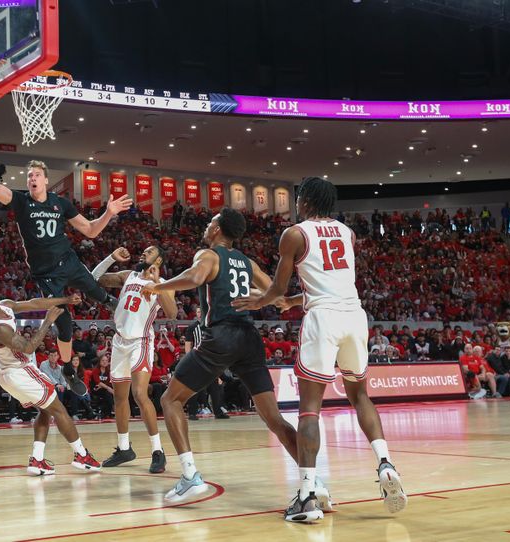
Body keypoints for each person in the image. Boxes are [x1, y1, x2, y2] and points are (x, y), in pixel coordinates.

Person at [233, 177, 406, 522]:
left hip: (323, 320)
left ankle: (307, 496)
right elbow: (331, 282)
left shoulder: (294, 234)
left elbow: (278, 287)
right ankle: (385, 462)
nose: (296, 204)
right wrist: (293, 300)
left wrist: (260, 303)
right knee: (360, 396)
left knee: (309, 409)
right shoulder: (348, 233)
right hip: (354, 316)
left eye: (298, 198)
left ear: (307, 200)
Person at [141, 208, 330, 508]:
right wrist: (288, 301)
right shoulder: (247, 261)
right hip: (250, 339)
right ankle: (314, 482)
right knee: (275, 419)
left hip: (222, 336)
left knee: (170, 400)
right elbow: (276, 294)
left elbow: (195, 277)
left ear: (217, 229)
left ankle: (190, 477)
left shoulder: (208, 255)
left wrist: (157, 286)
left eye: (209, 222)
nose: (206, 225)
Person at [0, 130, 132, 362]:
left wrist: (108, 213)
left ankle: (124, 315)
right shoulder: (20, 201)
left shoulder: (61, 203)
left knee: (98, 292)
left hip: (68, 261)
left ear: (46, 180)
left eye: (36, 175)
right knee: (64, 322)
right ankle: (68, 369)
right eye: (29, 176)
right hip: (45, 272)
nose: (32, 179)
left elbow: (91, 230)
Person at [0, 287, 101, 475]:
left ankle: (37, 460)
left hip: (16, 372)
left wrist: (64, 300)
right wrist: (47, 322)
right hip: (18, 372)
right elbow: (28, 347)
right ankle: (81, 455)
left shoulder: (5, 306)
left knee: (45, 410)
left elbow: (34, 303)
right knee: (59, 410)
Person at [91, 245, 177, 473]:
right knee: (119, 398)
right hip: (120, 342)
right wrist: (111, 256)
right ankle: (123, 448)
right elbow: (94, 278)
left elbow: (172, 313)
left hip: (141, 342)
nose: (143, 253)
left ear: (158, 262)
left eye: (149, 252)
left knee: (139, 394)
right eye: (144, 251)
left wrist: (158, 286)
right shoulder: (128, 276)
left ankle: (158, 451)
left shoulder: (165, 283)